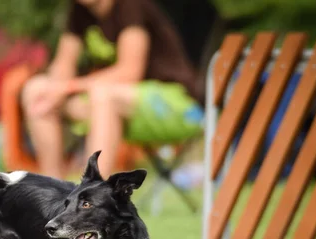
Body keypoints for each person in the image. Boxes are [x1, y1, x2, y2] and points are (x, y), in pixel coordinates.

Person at [21, 0, 204, 179]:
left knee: (103, 94)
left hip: (178, 105)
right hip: (115, 106)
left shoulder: (130, 5)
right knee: (36, 90)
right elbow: (62, 67)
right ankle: (52, 193)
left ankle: (94, 197)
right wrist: (51, 89)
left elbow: (129, 71)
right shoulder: (79, 11)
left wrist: (66, 87)